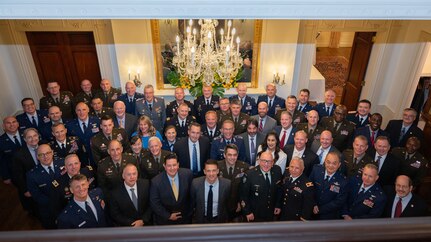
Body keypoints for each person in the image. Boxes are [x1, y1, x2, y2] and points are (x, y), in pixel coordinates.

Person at [26, 144, 64, 228]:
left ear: (52, 153)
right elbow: (37, 196)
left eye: (48, 153)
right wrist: (55, 203)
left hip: (67, 205)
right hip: (49, 210)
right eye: (41, 155)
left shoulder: (63, 163)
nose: (45, 156)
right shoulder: (32, 175)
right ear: (37, 157)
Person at [150, 153, 193, 225]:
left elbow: (191, 196)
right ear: (164, 166)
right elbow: (155, 203)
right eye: (169, 166)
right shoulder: (156, 182)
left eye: (174, 165)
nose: (172, 168)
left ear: (178, 165)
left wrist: (189, 212)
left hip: (185, 219)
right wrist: (168, 216)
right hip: (165, 221)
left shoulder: (188, 174)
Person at [239, 151, 282, 222]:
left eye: (269, 161)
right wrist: (247, 212)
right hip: (254, 214)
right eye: (263, 161)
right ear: (259, 161)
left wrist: (278, 204)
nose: (266, 164)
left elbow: (279, 190)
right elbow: (243, 196)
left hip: (270, 213)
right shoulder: (249, 174)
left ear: (273, 162)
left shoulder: (277, 170)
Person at [50, 154, 95, 218]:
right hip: (73, 216)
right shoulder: (58, 185)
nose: (74, 167)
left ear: (80, 164)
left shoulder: (89, 172)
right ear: (65, 167)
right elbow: (56, 208)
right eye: (70, 165)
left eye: (76, 163)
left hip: (92, 209)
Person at [309, 152, 348, 220]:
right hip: (311, 210)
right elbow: (309, 188)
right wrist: (313, 204)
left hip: (328, 217)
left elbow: (338, 202)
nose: (330, 165)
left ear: (339, 165)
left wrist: (320, 210)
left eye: (334, 163)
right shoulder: (316, 170)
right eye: (328, 162)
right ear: (324, 162)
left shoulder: (343, 181)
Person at [217, 144, 250, 221]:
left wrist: (240, 202)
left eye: (235, 155)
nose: (232, 157)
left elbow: (245, 189)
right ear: (224, 155)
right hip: (220, 205)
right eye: (230, 155)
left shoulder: (244, 167)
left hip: (237, 206)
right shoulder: (217, 166)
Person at [12, 128, 40, 215]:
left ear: (38, 136)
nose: (33, 139)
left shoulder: (45, 146)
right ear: (25, 139)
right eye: (29, 137)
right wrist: (25, 190)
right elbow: (18, 176)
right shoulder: (18, 155)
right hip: (31, 186)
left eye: (35, 136)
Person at [277, 157, 315, 221]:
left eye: (297, 168)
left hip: (295, 218)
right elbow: (282, 191)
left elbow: (308, 205)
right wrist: (278, 205)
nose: (293, 170)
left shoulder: (307, 185)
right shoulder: (286, 174)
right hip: (283, 214)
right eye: (291, 167)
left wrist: (303, 219)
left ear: (302, 169)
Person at [66, 102, 100, 166]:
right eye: (79, 110)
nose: (81, 113)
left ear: (88, 110)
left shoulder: (97, 121)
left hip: (96, 156)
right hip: (80, 158)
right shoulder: (70, 125)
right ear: (76, 111)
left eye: (84, 110)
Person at [0, 116, 23, 184]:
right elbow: (1, 161)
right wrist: (6, 176)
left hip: (31, 169)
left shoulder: (26, 134)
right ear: (4, 126)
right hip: (15, 174)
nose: (12, 125)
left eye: (14, 122)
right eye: (8, 123)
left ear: (18, 124)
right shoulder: (1, 141)